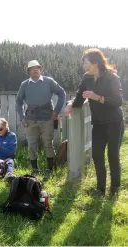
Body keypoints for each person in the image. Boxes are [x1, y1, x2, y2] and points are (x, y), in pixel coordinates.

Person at [65, 48, 124, 197]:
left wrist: (97, 97)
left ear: (95, 63)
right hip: (98, 123)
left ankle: (115, 189)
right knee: (97, 155)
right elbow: (79, 97)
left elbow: (118, 101)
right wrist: (71, 103)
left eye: (85, 62)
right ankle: (100, 190)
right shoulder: (87, 78)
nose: (83, 65)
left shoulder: (111, 77)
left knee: (113, 155)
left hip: (114, 122)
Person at [16, 60, 66, 180]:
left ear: (41, 69)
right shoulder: (25, 85)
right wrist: (22, 117)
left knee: (48, 143)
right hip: (30, 120)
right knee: (32, 145)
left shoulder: (49, 82)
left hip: (47, 118)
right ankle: (35, 170)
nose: (35, 69)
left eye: (37, 67)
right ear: (28, 71)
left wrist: (56, 111)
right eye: (32, 68)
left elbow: (62, 93)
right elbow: (18, 102)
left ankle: (49, 168)